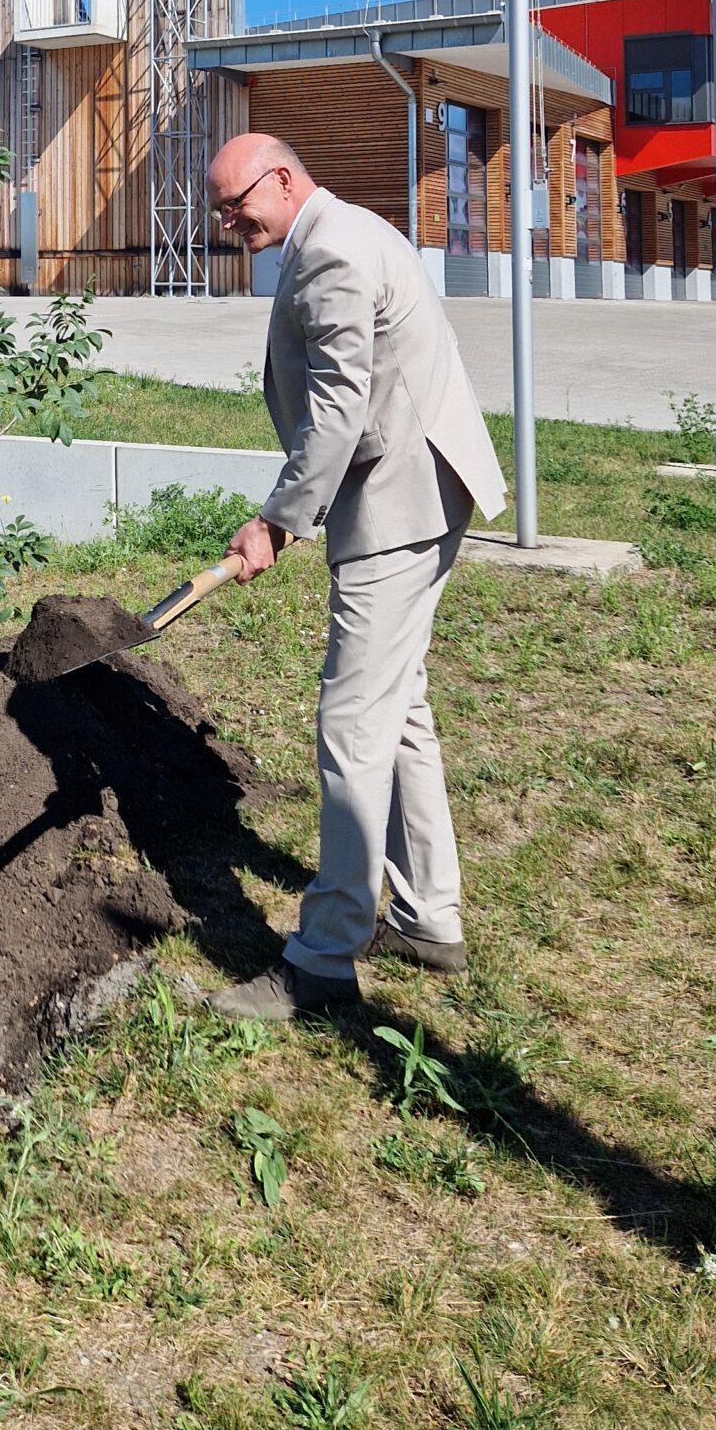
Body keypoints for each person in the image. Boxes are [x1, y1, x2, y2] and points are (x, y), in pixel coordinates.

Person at [204, 133, 506, 1023]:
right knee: (398, 707)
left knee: (352, 725)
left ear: (285, 178)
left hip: (399, 509)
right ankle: (428, 918)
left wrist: (276, 519)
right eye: (219, 209)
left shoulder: (331, 250)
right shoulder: (340, 233)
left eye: (236, 204)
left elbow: (340, 408)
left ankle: (325, 955)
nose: (227, 222)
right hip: (416, 493)